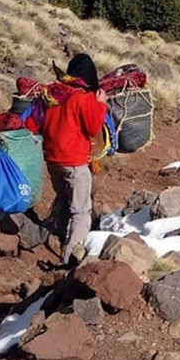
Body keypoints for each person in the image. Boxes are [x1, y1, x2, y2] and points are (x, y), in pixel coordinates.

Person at [41, 52, 108, 265]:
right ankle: (69, 259)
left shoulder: (54, 93)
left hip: (52, 160)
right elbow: (93, 127)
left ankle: (59, 237)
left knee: (64, 200)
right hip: (74, 162)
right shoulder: (83, 97)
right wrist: (101, 104)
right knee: (80, 211)